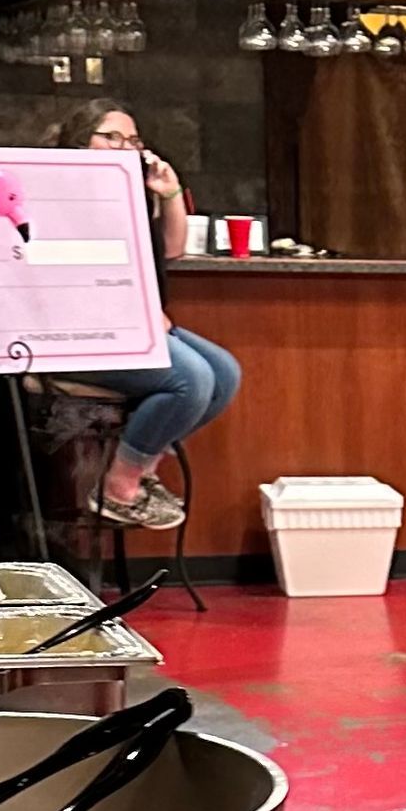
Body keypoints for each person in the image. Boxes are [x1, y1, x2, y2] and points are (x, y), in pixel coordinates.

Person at [49, 100, 240, 529]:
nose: (125, 148)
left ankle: (139, 464)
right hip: (77, 336)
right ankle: (120, 486)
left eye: (132, 140)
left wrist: (169, 192)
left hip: (131, 328)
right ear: (79, 144)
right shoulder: (59, 196)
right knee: (191, 380)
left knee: (225, 374)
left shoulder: (127, 198)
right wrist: (136, 314)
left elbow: (171, 249)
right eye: (111, 137)